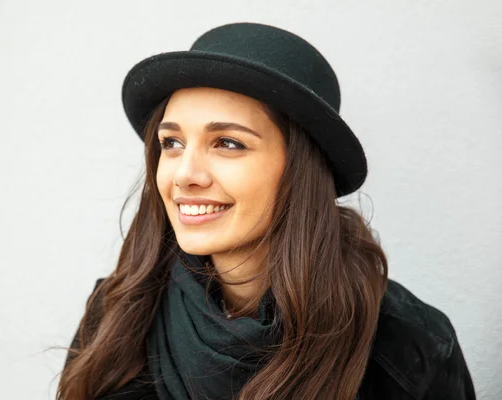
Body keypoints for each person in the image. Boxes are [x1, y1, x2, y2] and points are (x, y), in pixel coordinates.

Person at [57, 22, 476, 400]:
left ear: (301, 170)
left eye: (228, 143)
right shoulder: (118, 310)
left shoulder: (410, 348)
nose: (185, 175)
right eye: (172, 143)